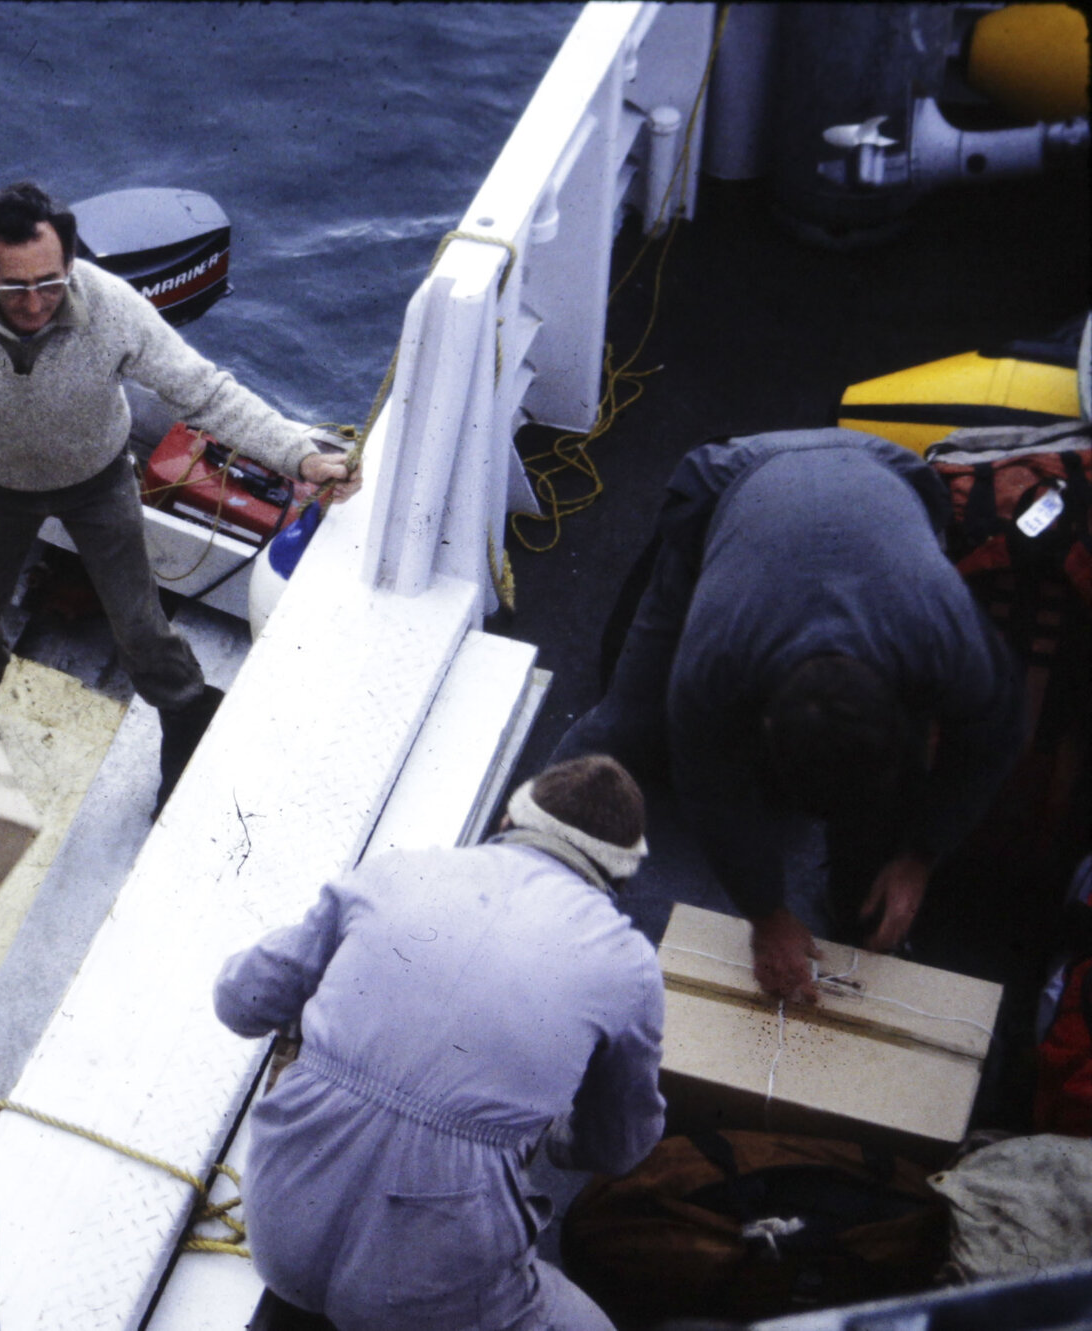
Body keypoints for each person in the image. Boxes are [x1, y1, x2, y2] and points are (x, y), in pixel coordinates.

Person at [0, 181, 360, 810]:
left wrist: (301, 456)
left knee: (141, 629)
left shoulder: (113, 305)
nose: (36, 303)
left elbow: (205, 392)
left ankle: (188, 714)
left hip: (99, 483)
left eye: (52, 282)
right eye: (15, 288)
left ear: (70, 263)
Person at [554, 428, 1023, 1003]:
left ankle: (857, 909)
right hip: (734, 480)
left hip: (883, 472)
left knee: (881, 827)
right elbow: (711, 787)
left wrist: (921, 854)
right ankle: (537, 864)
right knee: (626, 722)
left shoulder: (948, 638)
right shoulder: (714, 659)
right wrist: (766, 914)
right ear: (761, 725)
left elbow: (994, 737)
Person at [215, 755, 665, 1331]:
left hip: (279, 1235)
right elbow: (618, 1148)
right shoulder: (629, 965)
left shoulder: (393, 872)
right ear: (619, 877)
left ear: (507, 822)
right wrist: (549, 1132)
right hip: (430, 1296)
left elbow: (239, 1002)